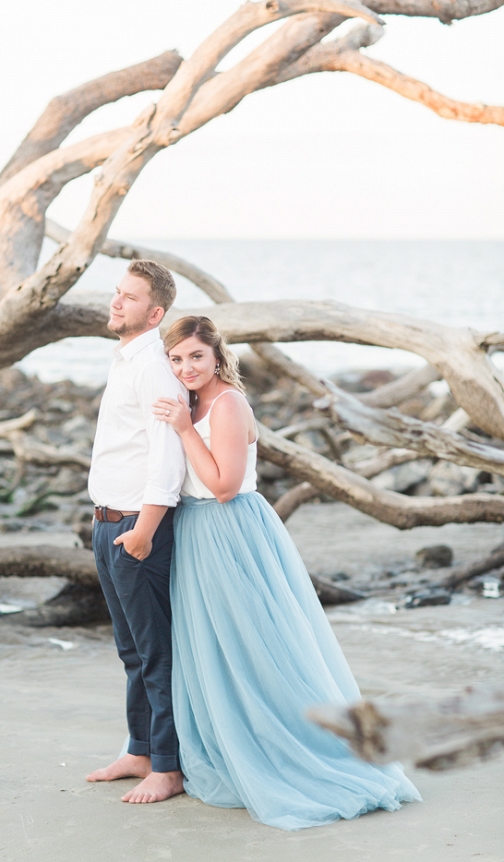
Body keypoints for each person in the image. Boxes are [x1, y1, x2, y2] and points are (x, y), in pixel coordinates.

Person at [152, 315, 421, 830]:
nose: (186, 367)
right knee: (210, 645)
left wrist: (185, 430)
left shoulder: (227, 403)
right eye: (177, 358)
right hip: (196, 531)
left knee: (255, 646)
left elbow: (225, 484)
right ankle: (219, 744)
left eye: (196, 357)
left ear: (216, 356)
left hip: (228, 529)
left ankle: (292, 752)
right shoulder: (193, 400)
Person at [86, 260, 187, 804]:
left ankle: (168, 767)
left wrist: (144, 529)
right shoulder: (126, 357)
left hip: (135, 526)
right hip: (107, 521)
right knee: (130, 650)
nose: (116, 302)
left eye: (130, 298)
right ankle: (140, 749)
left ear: (155, 313)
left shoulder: (153, 365)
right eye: (117, 293)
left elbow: (165, 455)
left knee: (155, 651)